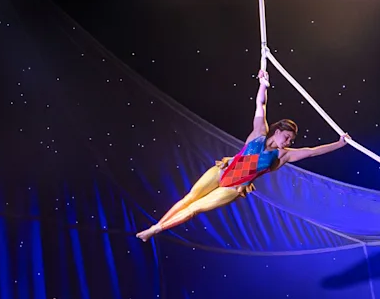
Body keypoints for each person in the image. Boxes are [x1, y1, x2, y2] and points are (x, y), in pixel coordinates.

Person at [136, 67, 348, 241]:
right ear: (278, 131)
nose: (289, 142)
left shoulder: (283, 157)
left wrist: (339, 144)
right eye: (288, 137)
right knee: (189, 198)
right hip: (222, 171)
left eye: (291, 140)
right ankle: (156, 225)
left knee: (195, 209)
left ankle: (155, 231)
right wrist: (263, 85)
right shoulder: (259, 133)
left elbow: (312, 152)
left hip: (233, 187)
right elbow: (260, 105)